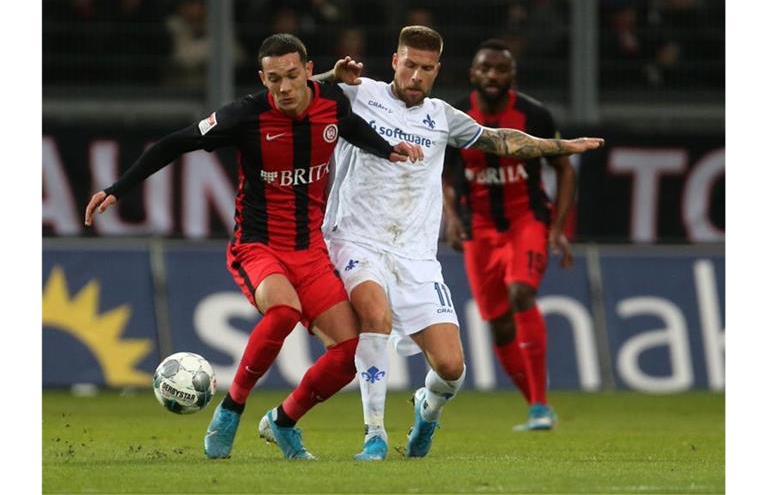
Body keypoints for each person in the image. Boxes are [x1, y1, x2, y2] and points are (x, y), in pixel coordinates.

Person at [84, 33, 422, 461]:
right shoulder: (244, 116)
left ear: (307, 70)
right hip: (258, 246)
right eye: (275, 79)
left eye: (293, 76)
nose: (284, 88)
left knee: (346, 352)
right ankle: (230, 411)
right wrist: (118, 189)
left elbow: (352, 128)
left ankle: (283, 422)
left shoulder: (331, 101)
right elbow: (177, 142)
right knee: (284, 312)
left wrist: (388, 149)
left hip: (311, 251)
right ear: (263, 79)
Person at [316, 25, 603, 460]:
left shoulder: (442, 116)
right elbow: (293, 93)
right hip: (357, 239)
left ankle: (425, 411)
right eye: (409, 65)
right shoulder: (359, 93)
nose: (416, 76)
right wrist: (331, 78)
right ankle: (373, 433)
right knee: (374, 316)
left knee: (451, 369)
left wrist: (559, 146)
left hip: (415, 256)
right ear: (395, 61)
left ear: (437, 70)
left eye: (426, 69)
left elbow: (503, 140)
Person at [443, 39, 575, 431]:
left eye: (500, 70)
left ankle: (540, 406)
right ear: (473, 74)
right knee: (499, 323)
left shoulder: (533, 114)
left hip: (526, 219)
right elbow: (447, 178)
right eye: (486, 69)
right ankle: (533, 406)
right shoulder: (455, 117)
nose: (493, 76)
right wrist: (451, 217)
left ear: (512, 76)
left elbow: (565, 168)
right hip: (478, 227)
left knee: (521, 292)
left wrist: (559, 228)